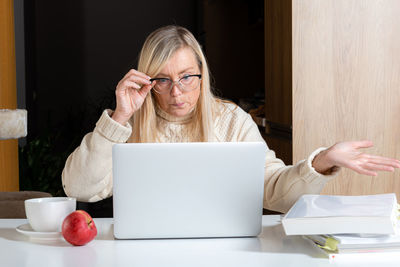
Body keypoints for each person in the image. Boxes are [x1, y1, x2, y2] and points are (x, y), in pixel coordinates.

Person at [62, 25, 400, 213]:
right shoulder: (128, 124)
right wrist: (119, 116)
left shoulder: (231, 120)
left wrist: (322, 161)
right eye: (162, 80)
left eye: (187, 77)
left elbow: (275, 192)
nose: (177, 92)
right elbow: (79, 189)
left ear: (202, 74)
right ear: (147, 81)